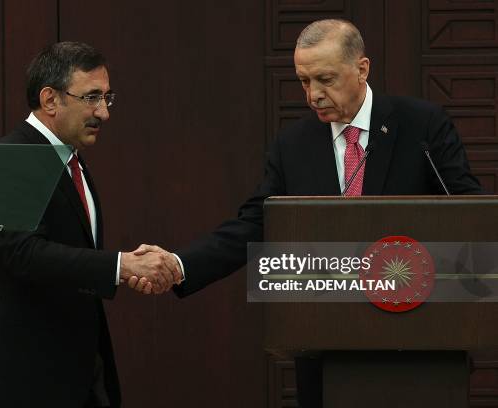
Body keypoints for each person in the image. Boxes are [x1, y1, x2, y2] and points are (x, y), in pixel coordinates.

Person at [129, 19, 484, 407]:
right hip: (327, 352)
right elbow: (254, 223)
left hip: (420, 345)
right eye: (304, 81)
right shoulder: (293, 145)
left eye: (325, 79)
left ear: (362, 69)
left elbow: (468, 213)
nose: (314, 94)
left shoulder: (422, 126)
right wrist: (181, 264)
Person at [0, 42, 182, 408]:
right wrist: (121, 266)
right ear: (50, 99)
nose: (103, 113)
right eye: (92, 97)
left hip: (70, 372)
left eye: (107, 98)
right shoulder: (13, 158)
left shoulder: (70, 160)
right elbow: (17, 253)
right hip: (19, 379)